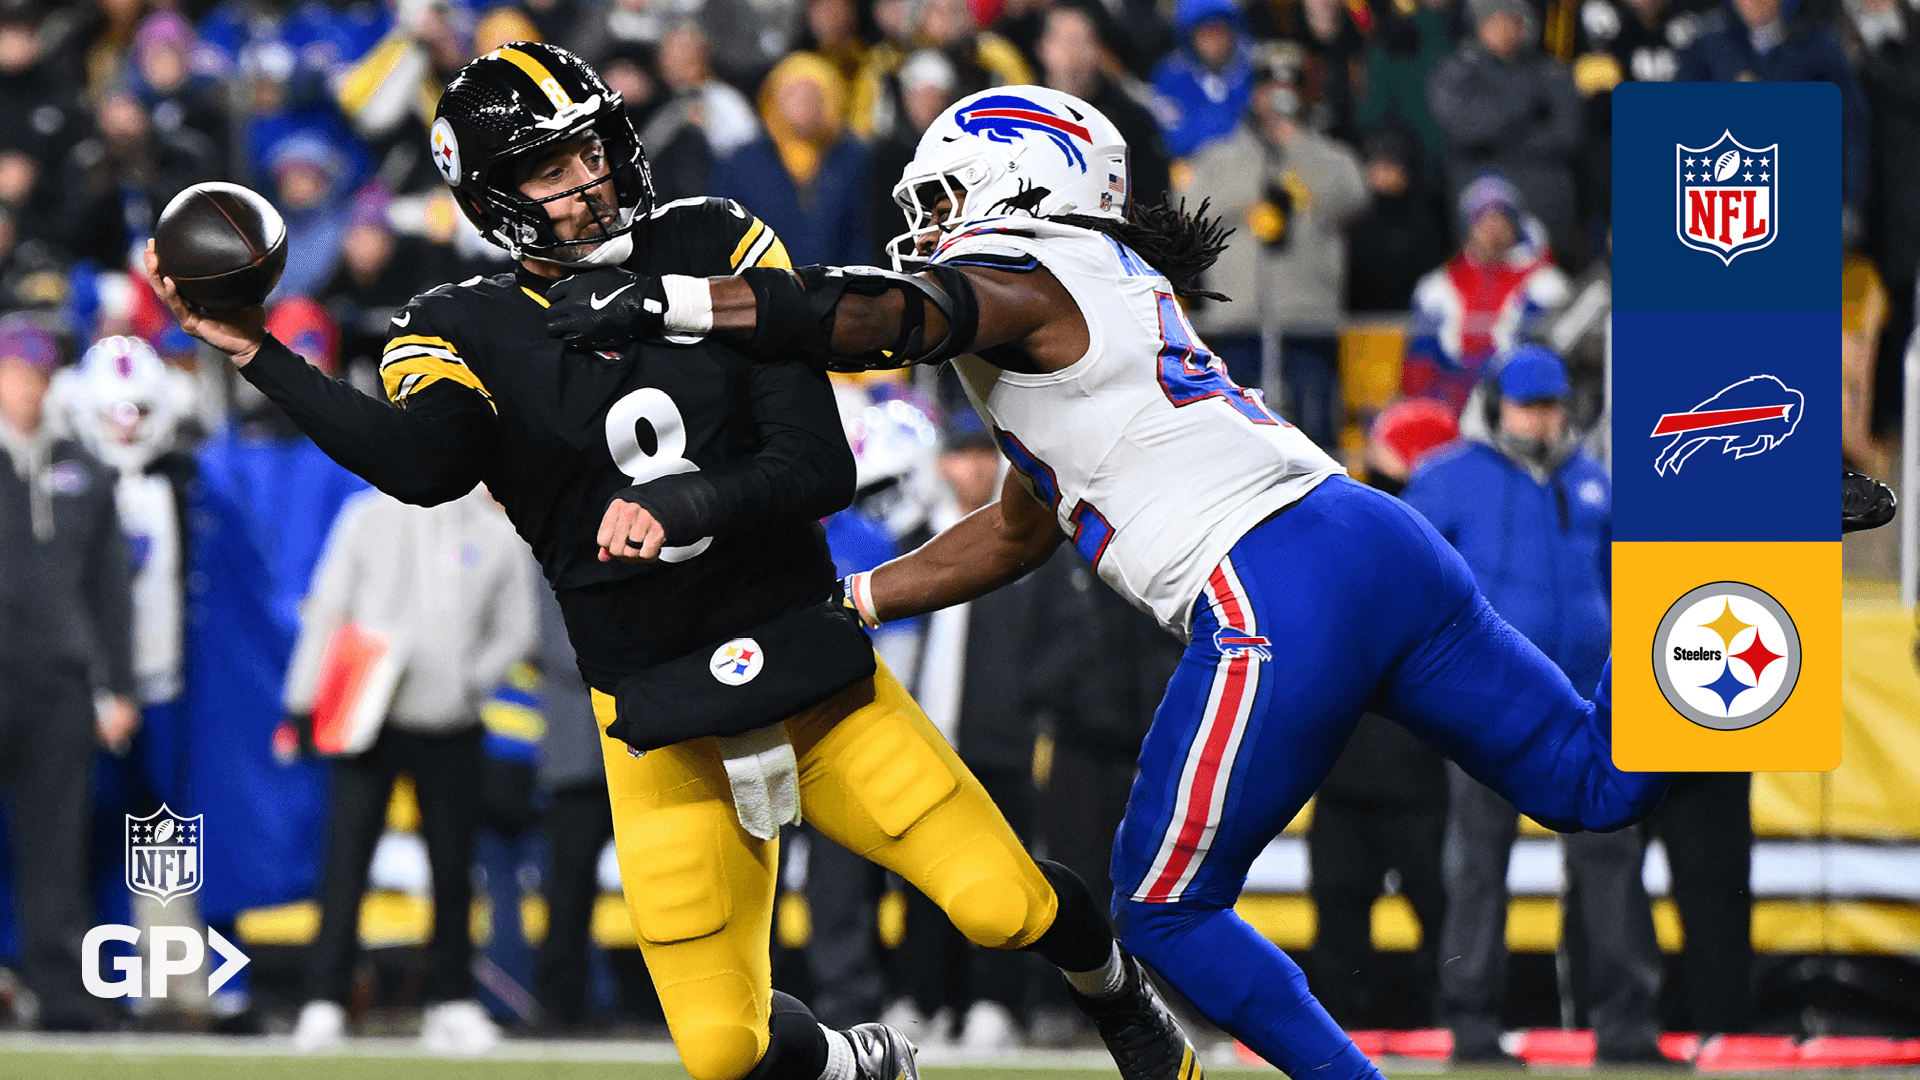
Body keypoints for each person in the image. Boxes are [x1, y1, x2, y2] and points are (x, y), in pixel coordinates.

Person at [149, 43, 1199, 1080]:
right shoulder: (455, 323)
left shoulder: (712, 239)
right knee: (723, 1050)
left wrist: (687, 500)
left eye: (593, 148)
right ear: (494, 196)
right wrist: (259, 354)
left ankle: (1114, 989)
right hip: (657, 715)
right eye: (551, 167)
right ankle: (853, 1065)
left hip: (811, 671)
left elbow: (816, 465)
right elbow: (427, 465)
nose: (590, 178)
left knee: (1001, 906)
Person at [600, 84, 1672, 1080]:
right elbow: (1018, 530)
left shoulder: (1029, 273)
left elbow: (892, 317)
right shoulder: (1092, 287)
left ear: (1016, 183)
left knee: (1161, 909)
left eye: (942, 198)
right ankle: (1710, 572)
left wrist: (680, 305)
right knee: (1592, 782)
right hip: (1373, 539)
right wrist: (858, 600)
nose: (927, 226)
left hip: (1275, 582)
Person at [1399, 347, 1664, 1066]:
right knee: (1478, 865)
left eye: (1552, 405)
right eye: (1528, 405)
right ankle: (1473, 1025)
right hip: (1491, 707)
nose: (1542, 419)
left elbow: (1625, 585)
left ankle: (1626, 1025)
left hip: (1589, 709)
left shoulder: (1594, 481)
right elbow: (1405, 578)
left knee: (1613, 861)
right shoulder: (1448, 478)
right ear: (1496, 406)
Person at [283, 484, 541, 1055]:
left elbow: (518, 628)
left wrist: (469, 681)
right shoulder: (366, 516)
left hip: (451, 723)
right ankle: (324, 1001)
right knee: (346, 863)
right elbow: (329, 608)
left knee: (453, 867)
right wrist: (303, 700)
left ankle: (452, 1002)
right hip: (368, 717)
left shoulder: (496, 533)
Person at [0, 314, 137, 1032]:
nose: (28, 388)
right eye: (16, 373)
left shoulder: (83, 466)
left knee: (58, 843)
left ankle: (60, 992)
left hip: (58, 682)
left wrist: (119, 685)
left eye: (38, 375)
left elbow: (110, 588)